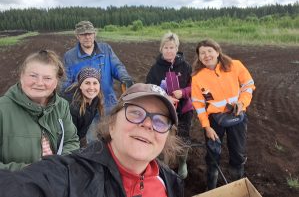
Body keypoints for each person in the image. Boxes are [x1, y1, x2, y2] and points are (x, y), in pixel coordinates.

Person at [0, 83, 184, 197]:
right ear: (111, 124)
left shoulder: (170, 182)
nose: (148, 124)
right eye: (135, 113)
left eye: (160, 121)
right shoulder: (70, 174)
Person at [191, 39, 255, 190]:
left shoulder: (235, 65)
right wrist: (207, 127)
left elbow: (248, 85)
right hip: (214, 121)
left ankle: (237, 185)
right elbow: (199, 105)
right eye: (202, 53)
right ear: (199, 57)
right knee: (213, 154)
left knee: (238, 154)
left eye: (209, 51)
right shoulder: (197, 77)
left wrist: (242, 103)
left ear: (217, 52)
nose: (207, 55)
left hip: (237, 116)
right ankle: (211, 186)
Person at [0, 50, 79, 171]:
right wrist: (30, 171)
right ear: (21, 76)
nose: (39, 83)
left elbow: (71, 140)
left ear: (56, 82)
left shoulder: (61, 106)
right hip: (15, 185)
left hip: (54, 180)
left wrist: (59, 166)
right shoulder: (2, 109)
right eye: (33, 76)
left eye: (47, 78)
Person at [61, 20, 133, 142]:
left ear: (94, 34)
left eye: (90, 33)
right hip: (86, 108)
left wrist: (124, 77)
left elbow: (117, 66)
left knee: (113, 138)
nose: (87, 37)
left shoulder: (105, 49)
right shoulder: (70, 56)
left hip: (108, 103)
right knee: (94, 142)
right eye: (83, 34)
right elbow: (65, 84)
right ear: (77, 36)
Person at [146, 31, 193, 179]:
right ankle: (161, 166)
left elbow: (194, 87)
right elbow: (149, 88)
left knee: (183, 137)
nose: (169, 50)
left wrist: (183, 92)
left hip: (184, 109)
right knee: (161, 135)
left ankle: (182, 162)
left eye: (172, 47)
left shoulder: (186, 66)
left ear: (176, 48)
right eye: (166, 47)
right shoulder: (155, 69)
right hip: (163, 110)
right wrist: (165, 96)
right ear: (161, 49)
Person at [65, 67, 104, 147]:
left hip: (80, 136)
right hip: (68, 142)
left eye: (95, 83)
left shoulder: (96, 100)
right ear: (80, 85)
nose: (92, 87)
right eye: (87, 83)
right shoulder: (72, 107)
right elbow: (69, 137)